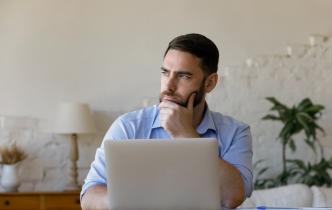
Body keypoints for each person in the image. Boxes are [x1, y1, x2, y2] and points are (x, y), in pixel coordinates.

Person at [81, 33, 253, 209]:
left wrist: (186, 136)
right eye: (165, 72)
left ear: (209, 83)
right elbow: (89, 196)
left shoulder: (235, 132)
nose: (169, 86)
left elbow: (232, 197)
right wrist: (134, 202)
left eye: (183, 76)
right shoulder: (128, 126)